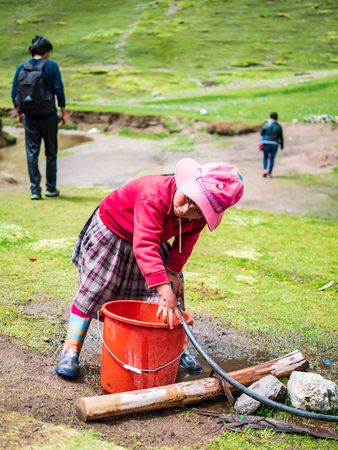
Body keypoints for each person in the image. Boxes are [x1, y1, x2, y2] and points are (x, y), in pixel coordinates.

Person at [55, 158, 244, 378]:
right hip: (114, 231)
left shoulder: (197, 215)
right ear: (185, 185)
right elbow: (144, 244)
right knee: (95, 289)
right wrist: (162, 289)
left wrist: (172, 273)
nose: (185, 210)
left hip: (154, 238)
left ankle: (178, 350)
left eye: (197, 210)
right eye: (187, 199)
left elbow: (186, 242)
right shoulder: (153, 194)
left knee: (175, 294)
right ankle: (70, 350)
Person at [11, 36, 67, 200]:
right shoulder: (51, 66)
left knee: (32, 153)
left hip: (30, 117)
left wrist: (19, 113)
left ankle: (35, 190)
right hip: (49, 116)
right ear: (45, 51)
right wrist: (63, 112)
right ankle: (51, 188)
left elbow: (15, 93)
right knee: (51, 152)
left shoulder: (21, 67)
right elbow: (59, 90)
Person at [260, 112, 284, 178]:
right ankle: (269, 173)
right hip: (274, 144)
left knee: (265, 157)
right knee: (272, 159)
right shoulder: (279, 126)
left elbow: (262, 133)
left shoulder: (266, 124)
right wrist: (282, 145)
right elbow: (281, 137)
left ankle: (265, 169)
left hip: (266, 142)